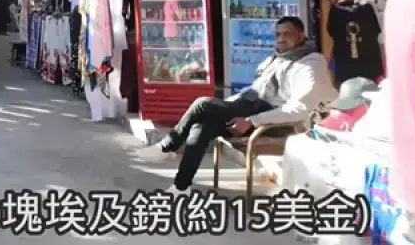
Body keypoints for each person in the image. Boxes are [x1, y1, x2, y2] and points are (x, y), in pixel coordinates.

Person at [136, 16, 337, 194]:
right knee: (202, 125)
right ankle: (181, 187)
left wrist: (252, 121)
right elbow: (255, 89)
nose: (281, 39)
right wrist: (227, 106)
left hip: (276, 122)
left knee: (202, 104)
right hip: (253, 108)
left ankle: (167, 146)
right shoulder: (278, 57)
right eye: (278, 34)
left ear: (301, 35)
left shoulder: (310, 65)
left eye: (287, 34)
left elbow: (299, 110)